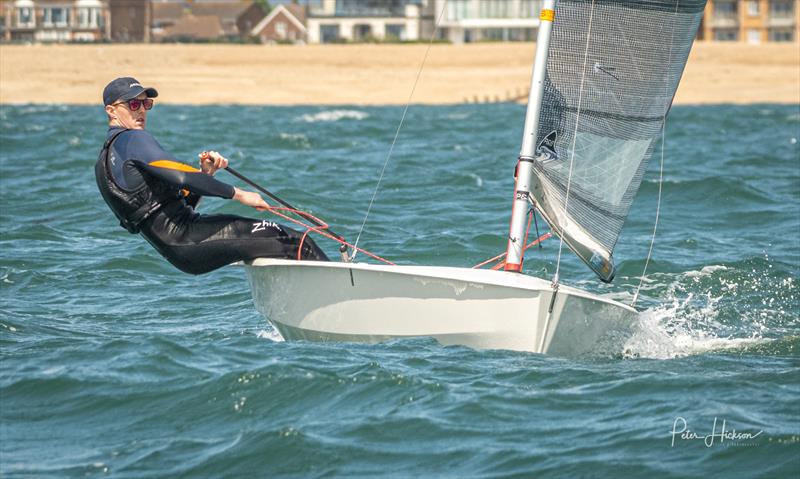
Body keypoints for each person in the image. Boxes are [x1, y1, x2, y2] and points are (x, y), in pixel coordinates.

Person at [95, 77, 329, 274]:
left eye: (147, 104)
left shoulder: (105, 161)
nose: (142, 111)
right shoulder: (133, 139)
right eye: (134, 104)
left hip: (179, 251)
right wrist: (239, 194)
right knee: (298, 242)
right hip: (189, 237)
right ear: (111, 110)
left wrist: (206, 174)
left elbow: (170, 206)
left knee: (275, 244)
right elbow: (182, 177)